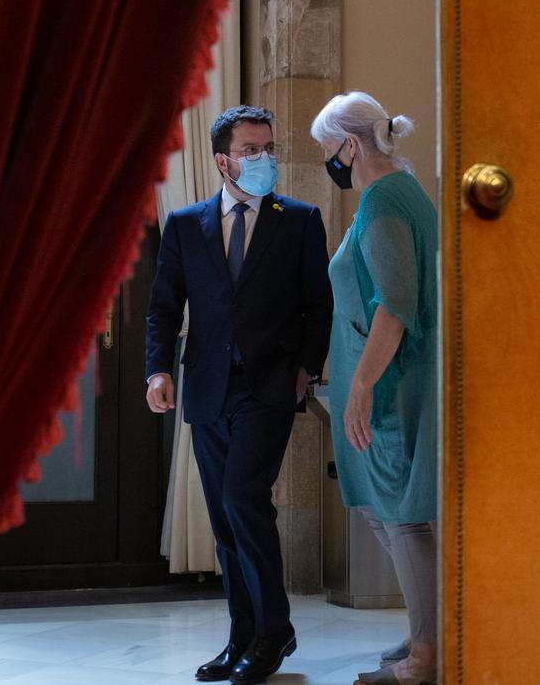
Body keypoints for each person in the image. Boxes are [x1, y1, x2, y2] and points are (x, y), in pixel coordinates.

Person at [145, 105, 333, 685]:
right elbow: (163, 308)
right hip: (206, 389)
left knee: (243, 500)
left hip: (269, 388)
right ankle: (242, 636)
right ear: (223, 160)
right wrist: (157, 371)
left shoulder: (298, 220)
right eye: (252, 150)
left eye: (269, 148)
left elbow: (318, 307)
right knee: (227, 519)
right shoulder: (184, 224)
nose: (265, 159)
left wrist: (306, 368)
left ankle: (273, 632)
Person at [311, 92, 440, 685]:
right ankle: (428, 630)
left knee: (403, 514)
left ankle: (424, 656)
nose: (327, 162)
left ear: (351, 146)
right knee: (383, 512)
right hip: (384, 378)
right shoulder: (398, 189)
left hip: (388, 383)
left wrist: (360, 384)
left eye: (327, 150)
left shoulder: (386, 199)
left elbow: (395, 305)